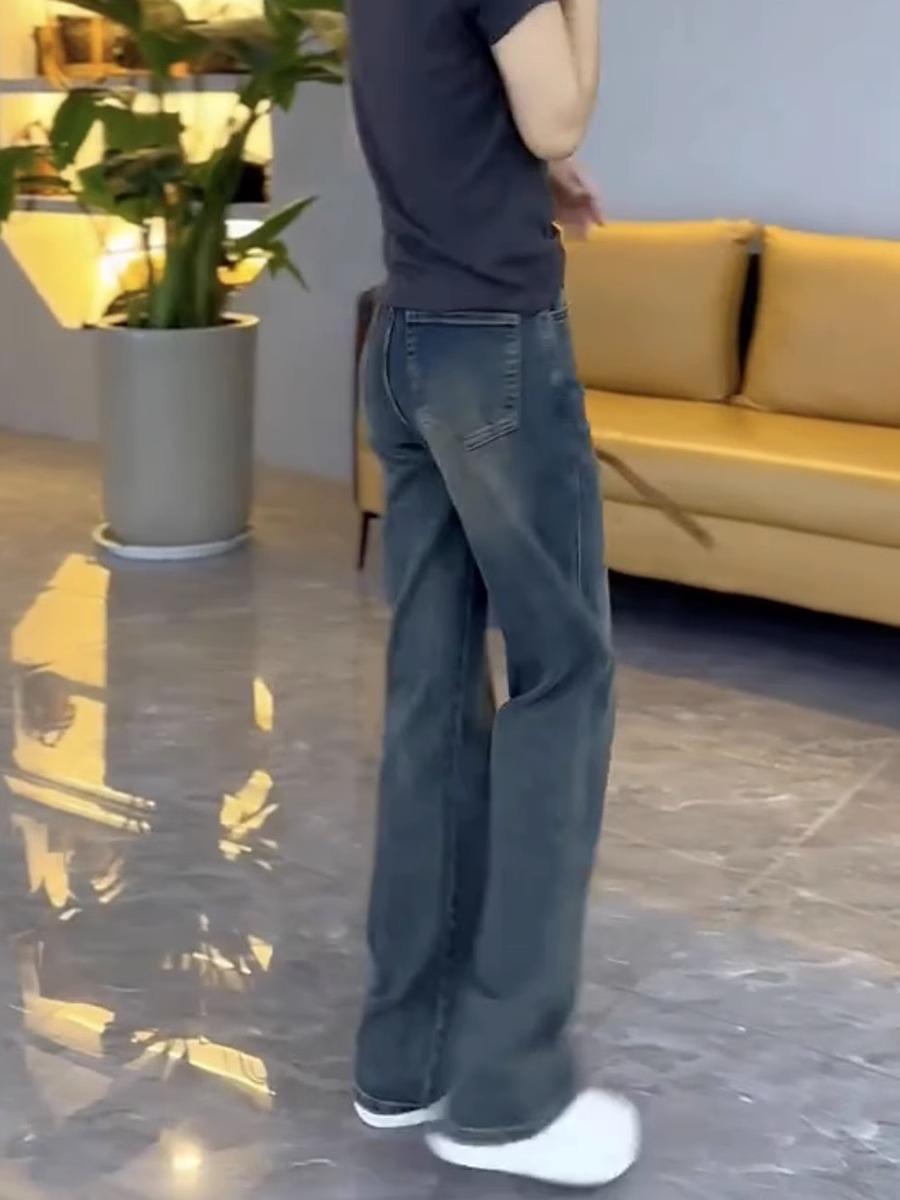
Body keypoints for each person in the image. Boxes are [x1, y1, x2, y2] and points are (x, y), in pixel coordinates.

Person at [346, 0, 640, 1187]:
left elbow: (460, 112)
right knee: (564, 682)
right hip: (494, 349)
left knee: (431, 692)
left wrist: (534, 179)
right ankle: (511, 1096)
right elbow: (557, 107)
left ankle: (403, 1062)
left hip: (407, 340)